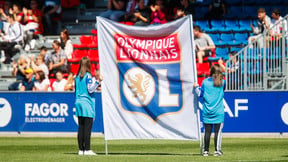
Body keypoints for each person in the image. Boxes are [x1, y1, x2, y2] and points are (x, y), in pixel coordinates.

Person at [194, 64, 225, 156]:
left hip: (207, 111)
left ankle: (205, 151)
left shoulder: (205, 82)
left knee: (207, 132)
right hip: (219, 111)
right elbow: (223, 91)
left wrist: (196, 87)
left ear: (210, 72)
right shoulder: (223, 82)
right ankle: (217, 150)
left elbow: (199, 94)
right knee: (217, 132)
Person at [75, 57, 101, 156]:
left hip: (78, 102)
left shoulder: (77, 76)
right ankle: (87, 149)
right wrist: (98, 81)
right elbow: (90, 89)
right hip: (87, 103)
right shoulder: (88, 76)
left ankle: (81, 149)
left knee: (81, 127)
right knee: (87, 127)